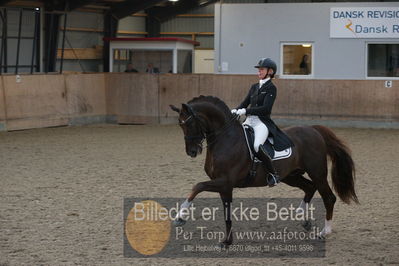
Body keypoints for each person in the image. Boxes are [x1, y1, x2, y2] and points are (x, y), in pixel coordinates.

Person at [231, 58, 293, 187]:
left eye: (262, 69)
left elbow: (265, 109)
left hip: (261, 123)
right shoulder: (254, 87)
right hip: (249, 121)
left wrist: (245, 111)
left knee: (257, 146)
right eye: (259, 69)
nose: (259, 71)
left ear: (270, 72)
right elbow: (244, 103)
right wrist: (235, 110)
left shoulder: (271, 88)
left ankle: (273, 174)